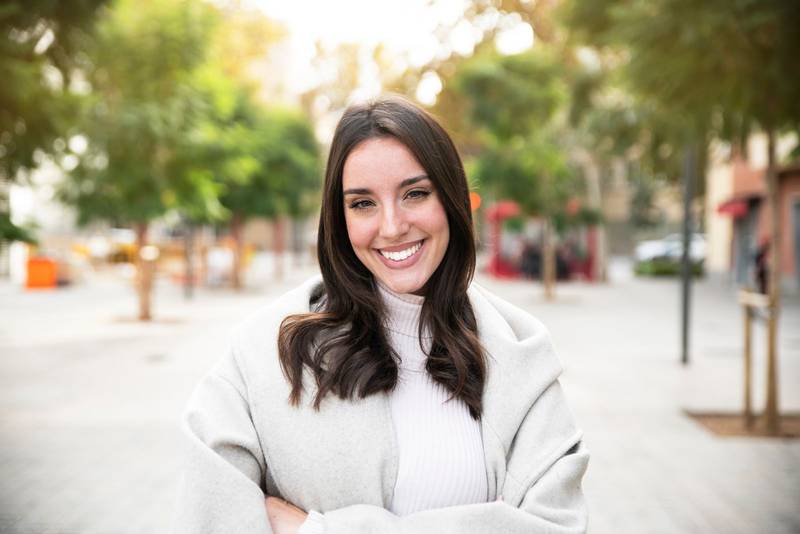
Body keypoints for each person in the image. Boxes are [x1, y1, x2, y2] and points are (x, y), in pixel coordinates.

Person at [172, 96, 589, 534]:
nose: (391, 227)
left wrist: (314, 530)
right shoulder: (261, 352)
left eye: (415, 194)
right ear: (340, 216)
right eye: (363, 203)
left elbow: (557, 526)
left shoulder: (522, 356)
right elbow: (208, 513)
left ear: (450, 199)